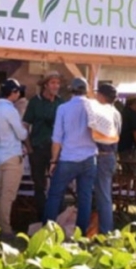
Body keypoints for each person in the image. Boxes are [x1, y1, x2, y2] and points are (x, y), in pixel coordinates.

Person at [44, 78, 98, 236]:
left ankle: (48, 232)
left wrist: (53, 160)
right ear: (86, 90)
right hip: (89, 157)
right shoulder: (94, 108)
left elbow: (57, 138)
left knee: (54, 194)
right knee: (85, 197)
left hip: (68, 157)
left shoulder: (63, 108)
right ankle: (80, 235)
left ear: (71, 90)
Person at [22, 70, 64, 221]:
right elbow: (25, 125)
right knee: (39, 186)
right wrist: (29, 147)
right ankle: (42, 219)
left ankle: (57, 219)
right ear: (45, 85)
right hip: (38, 148)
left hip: (57, 150)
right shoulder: (35, 102)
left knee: (58, 184)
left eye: (58, 83)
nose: (56, 86)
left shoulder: (61, 103)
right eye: (53, 82)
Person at [0, 79, 28, 241]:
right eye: (17, 91)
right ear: (13, 93)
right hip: (12, 155)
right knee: (8, 195)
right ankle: (5, 229)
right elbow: (21, 134)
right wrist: (25, 130)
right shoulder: (10, 110)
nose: (19, 94)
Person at [89, 83, 122, 235]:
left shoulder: (104, 114)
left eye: (98, 94)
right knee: (103, 194)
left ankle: (106, 230)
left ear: (102, 96)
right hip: (110, 156)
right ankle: (100, 228)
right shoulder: (116, 113)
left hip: (103, 155)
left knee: (103, 195)